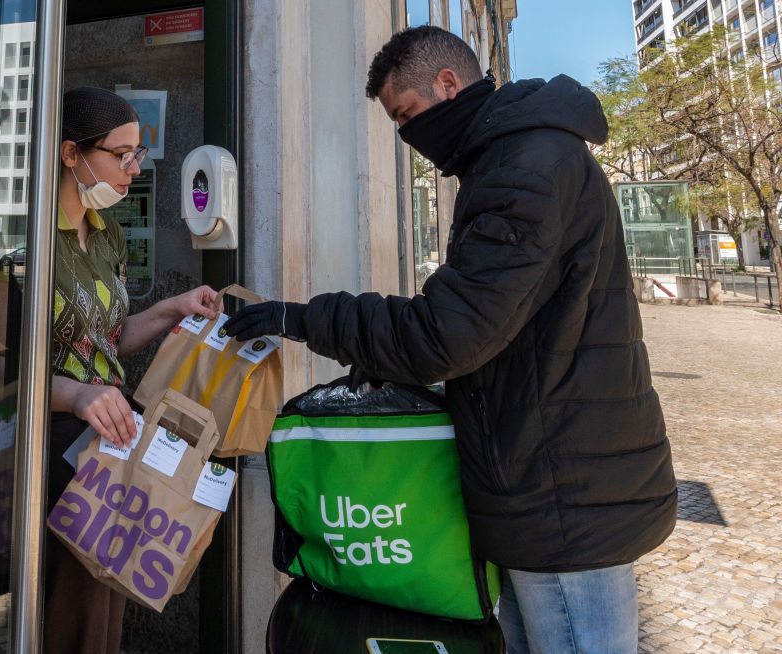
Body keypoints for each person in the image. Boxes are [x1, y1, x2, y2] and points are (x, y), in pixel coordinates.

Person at [224, 26, 677, 654]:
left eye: (407, 115)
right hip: (550, 478)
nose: (408, 136)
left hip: (563, 492)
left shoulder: (525, 168)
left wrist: (304, 319)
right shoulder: (516, 159)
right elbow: (502, 326)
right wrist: (395, 363)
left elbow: (449, 331)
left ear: (447, 85)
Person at [44, 86, 219, 654]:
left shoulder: (107, 232)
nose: (133, 168)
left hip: (107, 443)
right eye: (122, 156)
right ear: (71, 154)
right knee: (64, 604)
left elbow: (110, 340)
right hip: (46, 444)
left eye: (138, 154)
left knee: (103, 602)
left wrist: (172, 308)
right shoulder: (25, 234)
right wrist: (73, 395)